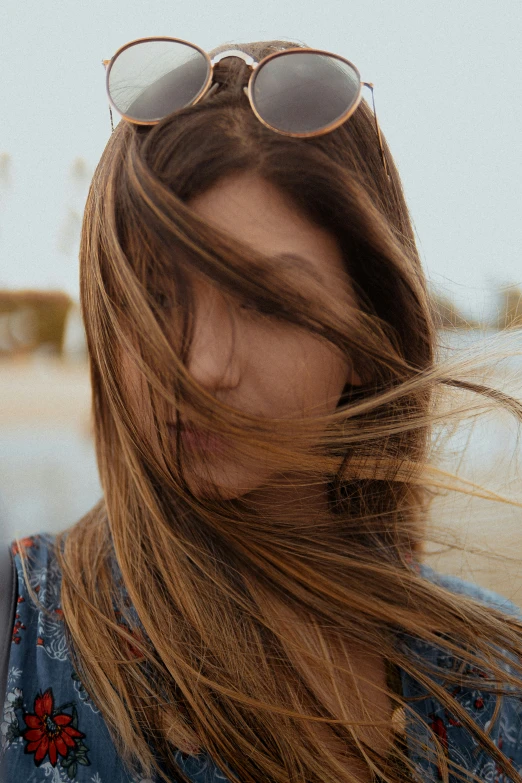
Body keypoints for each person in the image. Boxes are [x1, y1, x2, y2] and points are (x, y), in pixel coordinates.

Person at [2, 36, 522, 783]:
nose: (204, 366)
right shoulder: (19, 629)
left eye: (271, 301)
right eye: (154, 298)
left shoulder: (494, 678)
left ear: (369, 337)